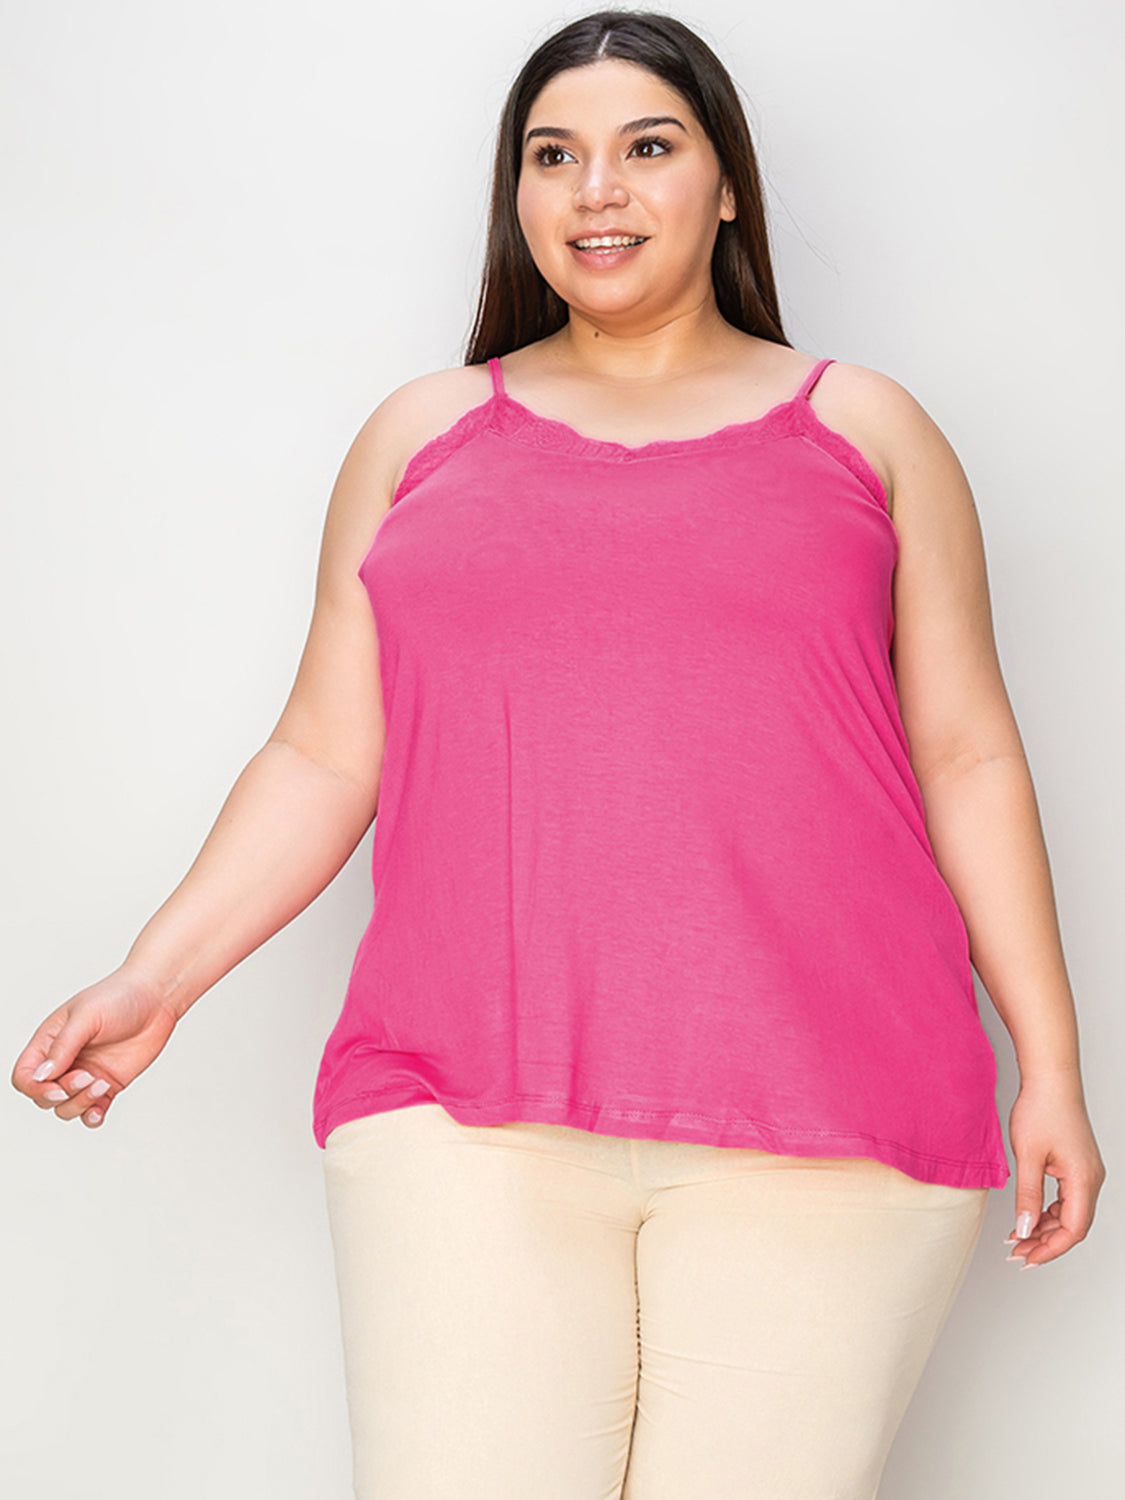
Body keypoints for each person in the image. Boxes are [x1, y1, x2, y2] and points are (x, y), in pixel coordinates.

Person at [12, 8, 1106, 1498]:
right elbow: (326, 753)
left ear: (725, 187)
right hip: (462, 1114)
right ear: (516, 196)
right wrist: (159, 973)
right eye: (553, 156)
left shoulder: (866, 430)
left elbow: (968, 753)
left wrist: (1049, 1063)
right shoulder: (422, 438)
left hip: (829, 1109)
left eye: (647, 147)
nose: (596, 189)